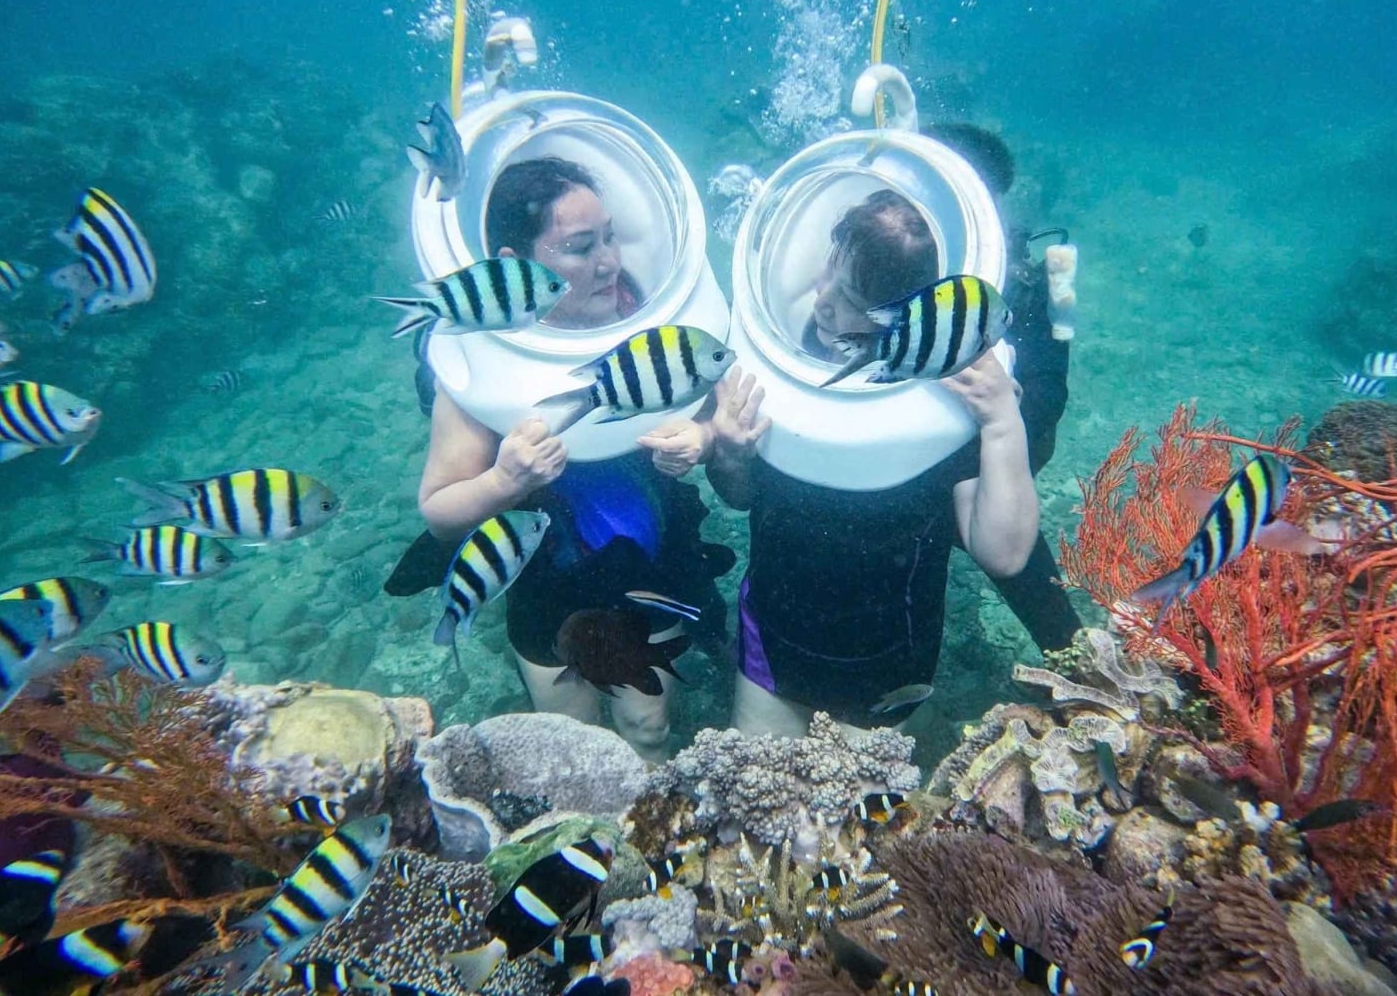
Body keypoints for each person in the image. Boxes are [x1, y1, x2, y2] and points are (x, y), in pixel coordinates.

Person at [683, 189, 1041, 735]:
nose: (822, 300)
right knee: (755, 808)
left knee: (864, 819)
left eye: (850, 297)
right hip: (774, 639)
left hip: (888, 663)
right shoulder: (781, 352)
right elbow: (743, 497)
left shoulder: (946, 400)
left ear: (911, 314)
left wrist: (1000, 422)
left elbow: (1005, 553)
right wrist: (731, 453)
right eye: (829, 271)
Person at [413, 157, 730, 762]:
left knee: (650, 726)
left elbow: (723, 417)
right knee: (571, 745)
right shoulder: (482, 363)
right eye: (582, 247)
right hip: (543, 578)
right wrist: (505, 480)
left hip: (651, 562)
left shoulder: (663, 323)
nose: (609, 261)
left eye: (610, 236)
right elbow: (440, 512)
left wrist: (706, 439)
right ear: (515, 265)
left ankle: (652, 844)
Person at [923, 121, 1083, 651]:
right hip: (906, 464)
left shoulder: (1021, 280)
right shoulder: (889, 251)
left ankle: (1080, 669)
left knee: (1041, 599)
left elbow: (1048, 396)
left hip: (979, 465)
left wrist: (1004, 424)